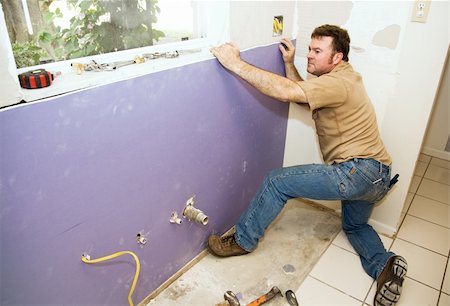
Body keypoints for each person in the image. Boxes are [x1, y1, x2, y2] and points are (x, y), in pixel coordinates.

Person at [207, 24, 407, 306]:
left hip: (357, 172)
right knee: (355, 227)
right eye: (309, 49)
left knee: (277, 182)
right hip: (377, 179)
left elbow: (288, 93)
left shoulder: (337, 83)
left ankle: (242, 240)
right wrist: (289, 64)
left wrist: (234, 63)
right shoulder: (341, 79)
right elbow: (304, 97)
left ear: (337, 58)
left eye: (317, 51)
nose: (309, 55)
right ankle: (385, 266)